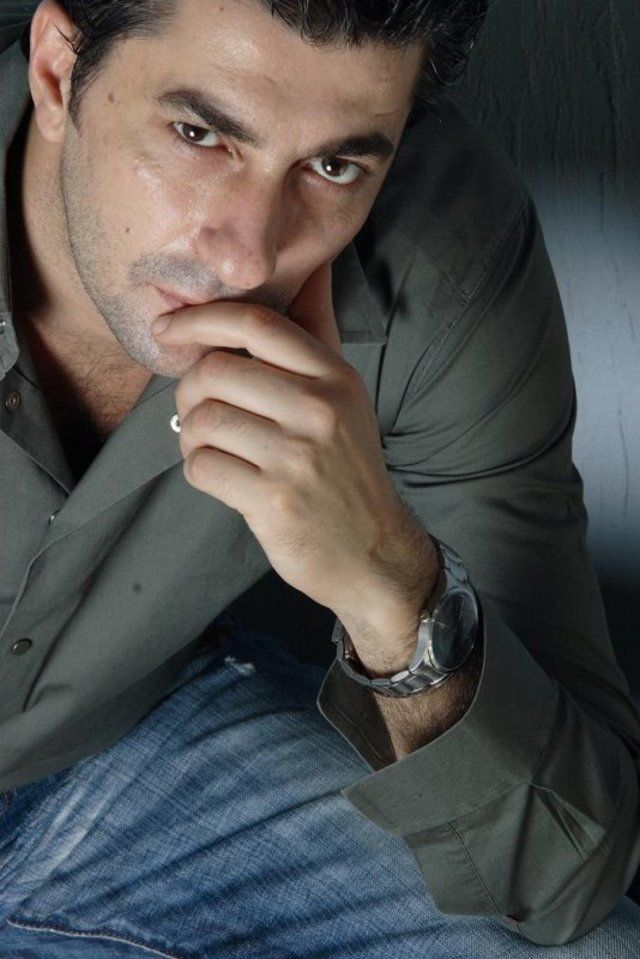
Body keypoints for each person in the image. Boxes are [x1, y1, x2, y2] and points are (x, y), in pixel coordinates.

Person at [0, 0, 639, 955]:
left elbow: (565, 871)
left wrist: (391, 584)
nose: (249, 252)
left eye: (334, 166)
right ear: (58, 72)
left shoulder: (439, 255)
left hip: (110, 755)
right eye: (198, 135)